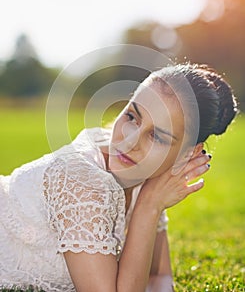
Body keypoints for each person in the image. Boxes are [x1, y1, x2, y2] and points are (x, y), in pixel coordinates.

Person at [0, 62, 237, 292]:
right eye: (132, 116)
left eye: (156, 136)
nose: (129, 141)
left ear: (190, 153)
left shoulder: (146, 175)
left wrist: (149, 201)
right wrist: (148, 206)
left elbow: (159, 276)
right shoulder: (80, 178)